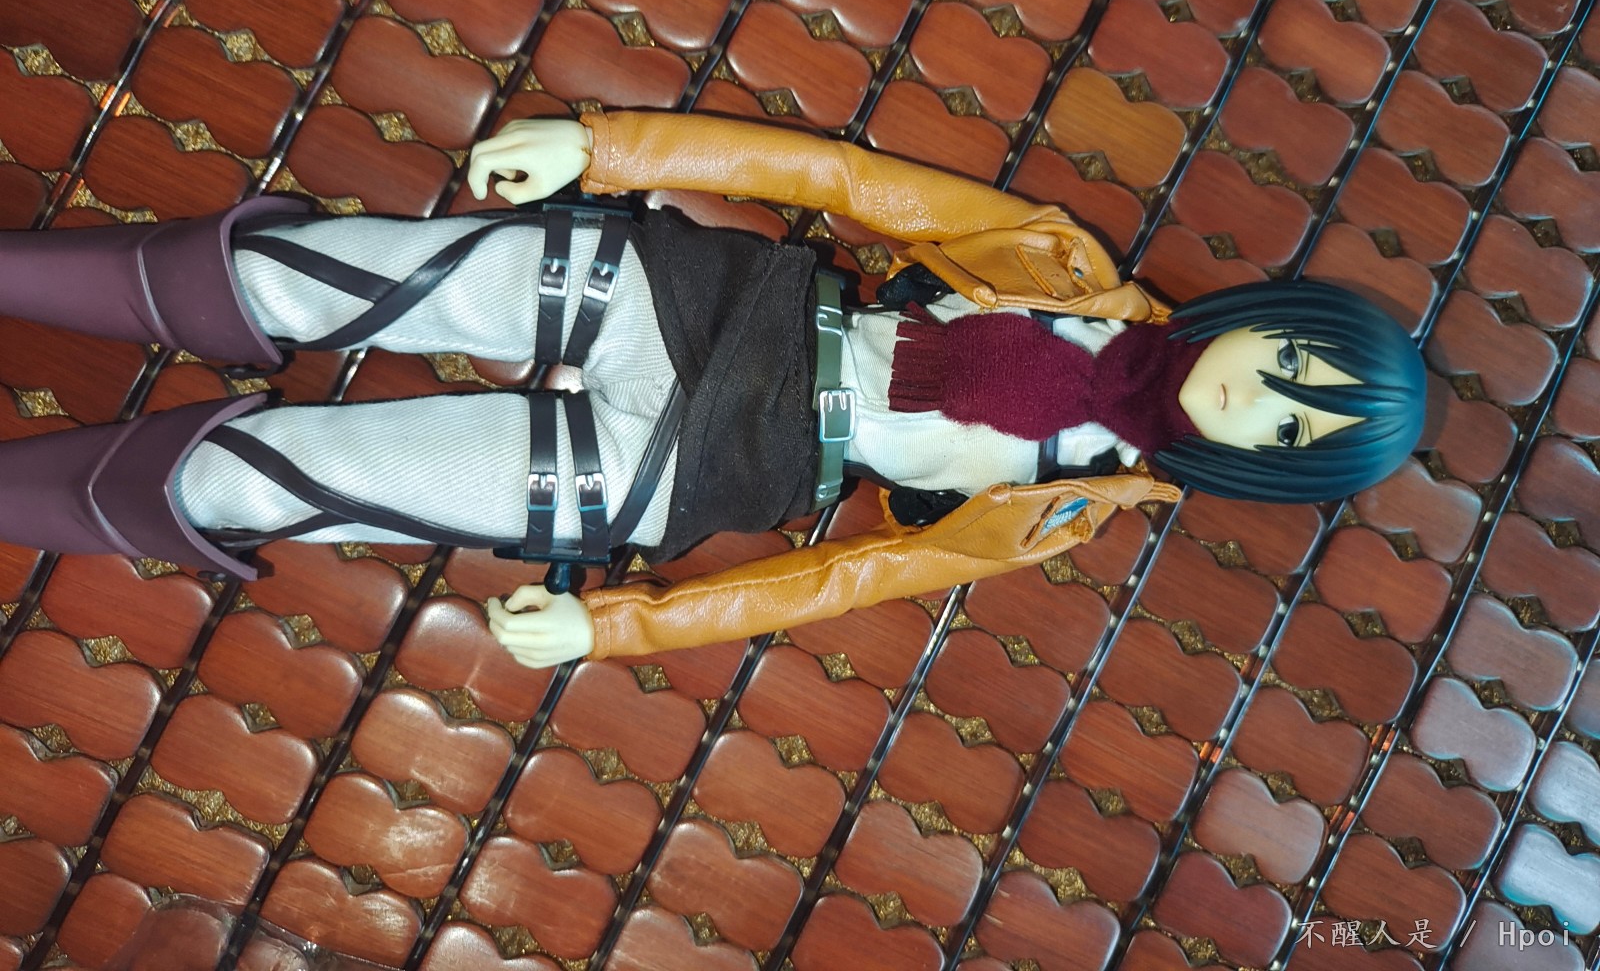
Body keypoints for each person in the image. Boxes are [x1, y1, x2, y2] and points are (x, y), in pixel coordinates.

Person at [0, 110, 1425, 667]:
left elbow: (840, 582)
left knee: (271, 483)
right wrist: (604, 149)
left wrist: (614, 626)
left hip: (697, 474)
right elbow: (845, 182)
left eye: (1297, 429)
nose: (1267, 399)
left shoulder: (1068, 512)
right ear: (1279, 318)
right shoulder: (1061, 263)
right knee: (307, 274)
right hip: (705, 301)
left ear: (1276, 469)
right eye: (1298, 365)